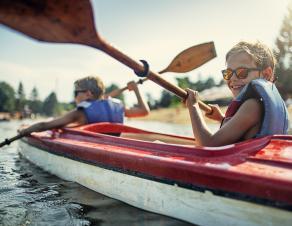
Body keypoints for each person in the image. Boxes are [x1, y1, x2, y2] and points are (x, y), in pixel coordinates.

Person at [185, 41, 289, 146]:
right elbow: (246, 129)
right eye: (228, 73)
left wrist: (193, 106)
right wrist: (222, 118)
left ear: (266, 74)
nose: (233, 78)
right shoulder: (259, 106)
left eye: (242, 72)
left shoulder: (252, 106)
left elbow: (208, 145)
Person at [18, 76, 150, 136]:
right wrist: (136, 90)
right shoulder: (117, 106)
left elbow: (44, 126)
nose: (74, 97)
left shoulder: (79, 113)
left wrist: (24, 131)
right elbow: (144, 111)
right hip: (116, 147)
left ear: (88, 94)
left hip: (93, 150)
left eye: (76, 93)